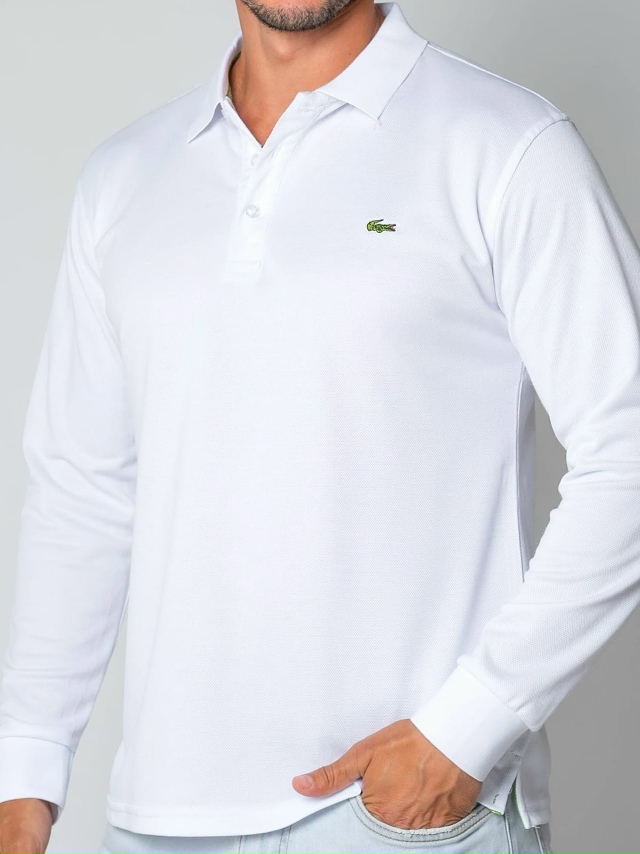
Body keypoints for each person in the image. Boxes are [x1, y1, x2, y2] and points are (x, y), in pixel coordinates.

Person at [1, 0, 640, 851]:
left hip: (404, 814)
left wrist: (471, 727)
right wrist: (26, 769)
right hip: (160, 819)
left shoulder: (507, 145)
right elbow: (82, 491)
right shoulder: (124, 177)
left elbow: (629, 448)